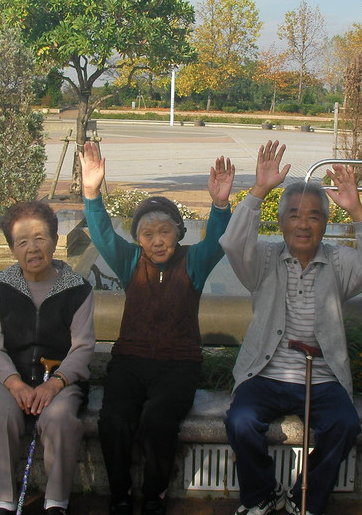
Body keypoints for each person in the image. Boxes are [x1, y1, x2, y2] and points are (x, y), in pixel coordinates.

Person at [220, 140, 362, 515]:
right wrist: (259, 191)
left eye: (314, 216)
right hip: (266, 373)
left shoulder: (339, 262)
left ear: (325, 224)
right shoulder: (263, 259)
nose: (303, 223)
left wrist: (358, 210)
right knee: (241, 420)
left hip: (323, 378)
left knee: (345, 425)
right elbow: (232, 243)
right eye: (294, 215)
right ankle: (261, 492)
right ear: (280, 223)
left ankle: (305, 497)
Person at [79, 140, 235, 515]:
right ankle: (118, 495)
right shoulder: (131, 261)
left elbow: (216, 241)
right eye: (147, 235)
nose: (157, 240)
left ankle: (153, 495)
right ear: (138, 240)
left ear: (179, 232)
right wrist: (91, 192)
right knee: (114, 420)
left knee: (158, 418)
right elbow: (101, 235)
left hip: (178, 364)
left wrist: (219, 205)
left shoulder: (193, 262)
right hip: (130, 362)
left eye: (165, 231)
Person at [0, 201, 95, 515]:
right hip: (10, 379)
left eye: (41, 238)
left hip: (61, 380)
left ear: (56, 240)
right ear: (12, 248)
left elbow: (82, 348)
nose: (33, 248)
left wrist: (54, 385)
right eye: (22, 242)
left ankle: (56, 501)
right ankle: (3, 501)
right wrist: (15, 384)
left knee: (60, 420)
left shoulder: (78, 289)